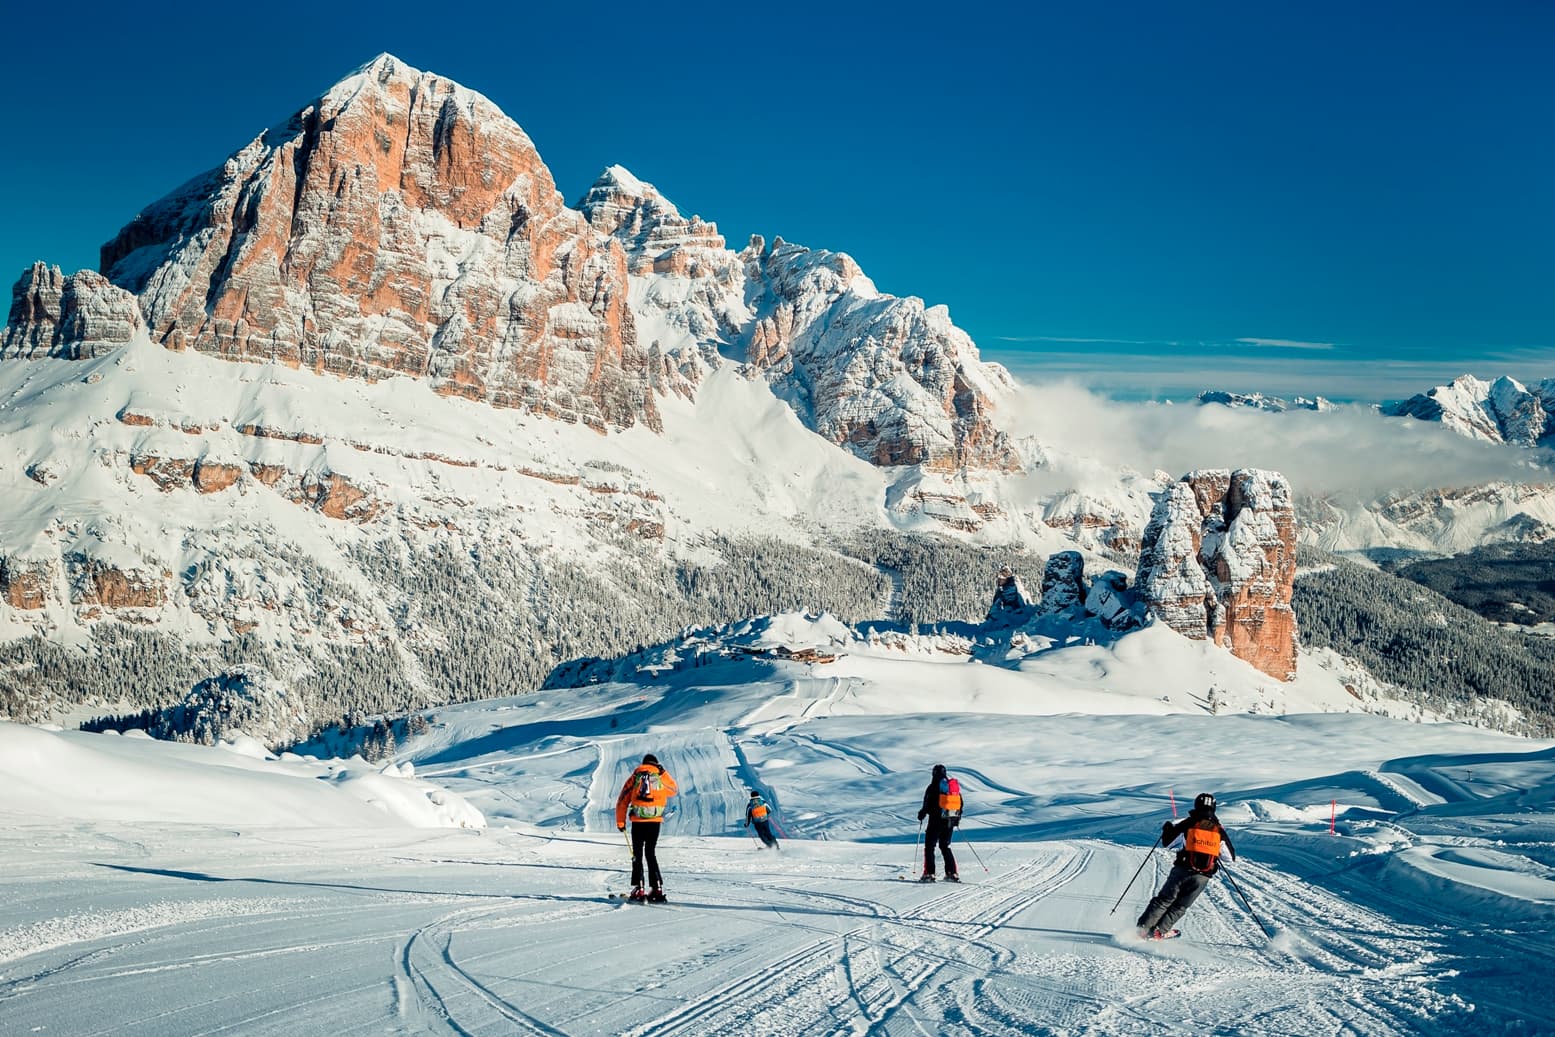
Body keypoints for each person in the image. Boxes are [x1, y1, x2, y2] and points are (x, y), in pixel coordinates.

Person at [1136, 792, 1237, 938]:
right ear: (1214, 808)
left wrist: (1168, 828)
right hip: (1202, 877)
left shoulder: (1189, 823)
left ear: (1196, 805)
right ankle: (1159, 932)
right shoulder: (1218, 830)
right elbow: (1229, 858)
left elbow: (1168, 843)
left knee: (1164, 900)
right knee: (1180, 906)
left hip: (1182, 869)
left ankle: (1142, 931)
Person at [615, 753, 678, 903]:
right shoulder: (660, 777)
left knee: (637, 853)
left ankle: (639, 887)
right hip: (654, 821)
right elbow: (673, 790)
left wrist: (620, 822)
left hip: (638, 821)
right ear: (656, 764)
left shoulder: (635, 777)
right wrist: (664, 773)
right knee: (651, 853)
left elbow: (622, 800)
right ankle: (657, 888)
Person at [916, 763, 962, 882]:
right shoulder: (952, 787)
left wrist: (922, 813)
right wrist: (956, 819)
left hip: (935, 822)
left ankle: (929, 874)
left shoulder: (932, 787)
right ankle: (952, 873)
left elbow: (926, 803)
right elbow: (960, 804)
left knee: (930, 847)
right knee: (945, 846)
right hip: (949, 822)